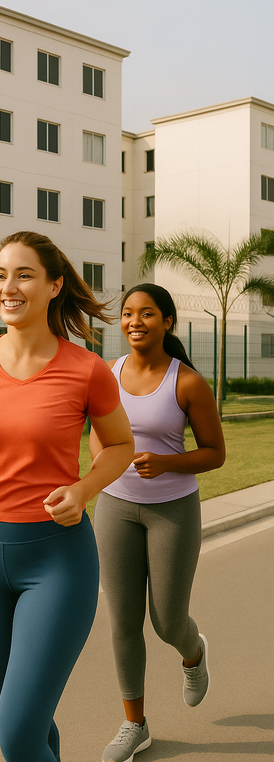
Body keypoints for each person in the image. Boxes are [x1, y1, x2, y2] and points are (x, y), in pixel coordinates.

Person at [0, 231, 134, 762]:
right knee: (30, 727)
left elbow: (119, 446)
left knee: (17, 734)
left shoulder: (86, 368)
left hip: (57, 561)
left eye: (23, 274)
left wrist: (84, 488)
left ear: (53, 286)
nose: (8, 287)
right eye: (0, 275)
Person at [90, 283, 226, 762]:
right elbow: (98, 440)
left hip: (173, 510)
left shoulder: (186, 382)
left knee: (167, 621)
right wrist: (102, 469)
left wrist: (166, 464)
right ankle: (135, 725)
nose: (134, 322)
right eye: (128, 313)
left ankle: (194, 654)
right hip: (115, 508)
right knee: (122, 622)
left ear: (168, 322)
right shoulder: (106, 375)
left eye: (147, 314)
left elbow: (216, 454)